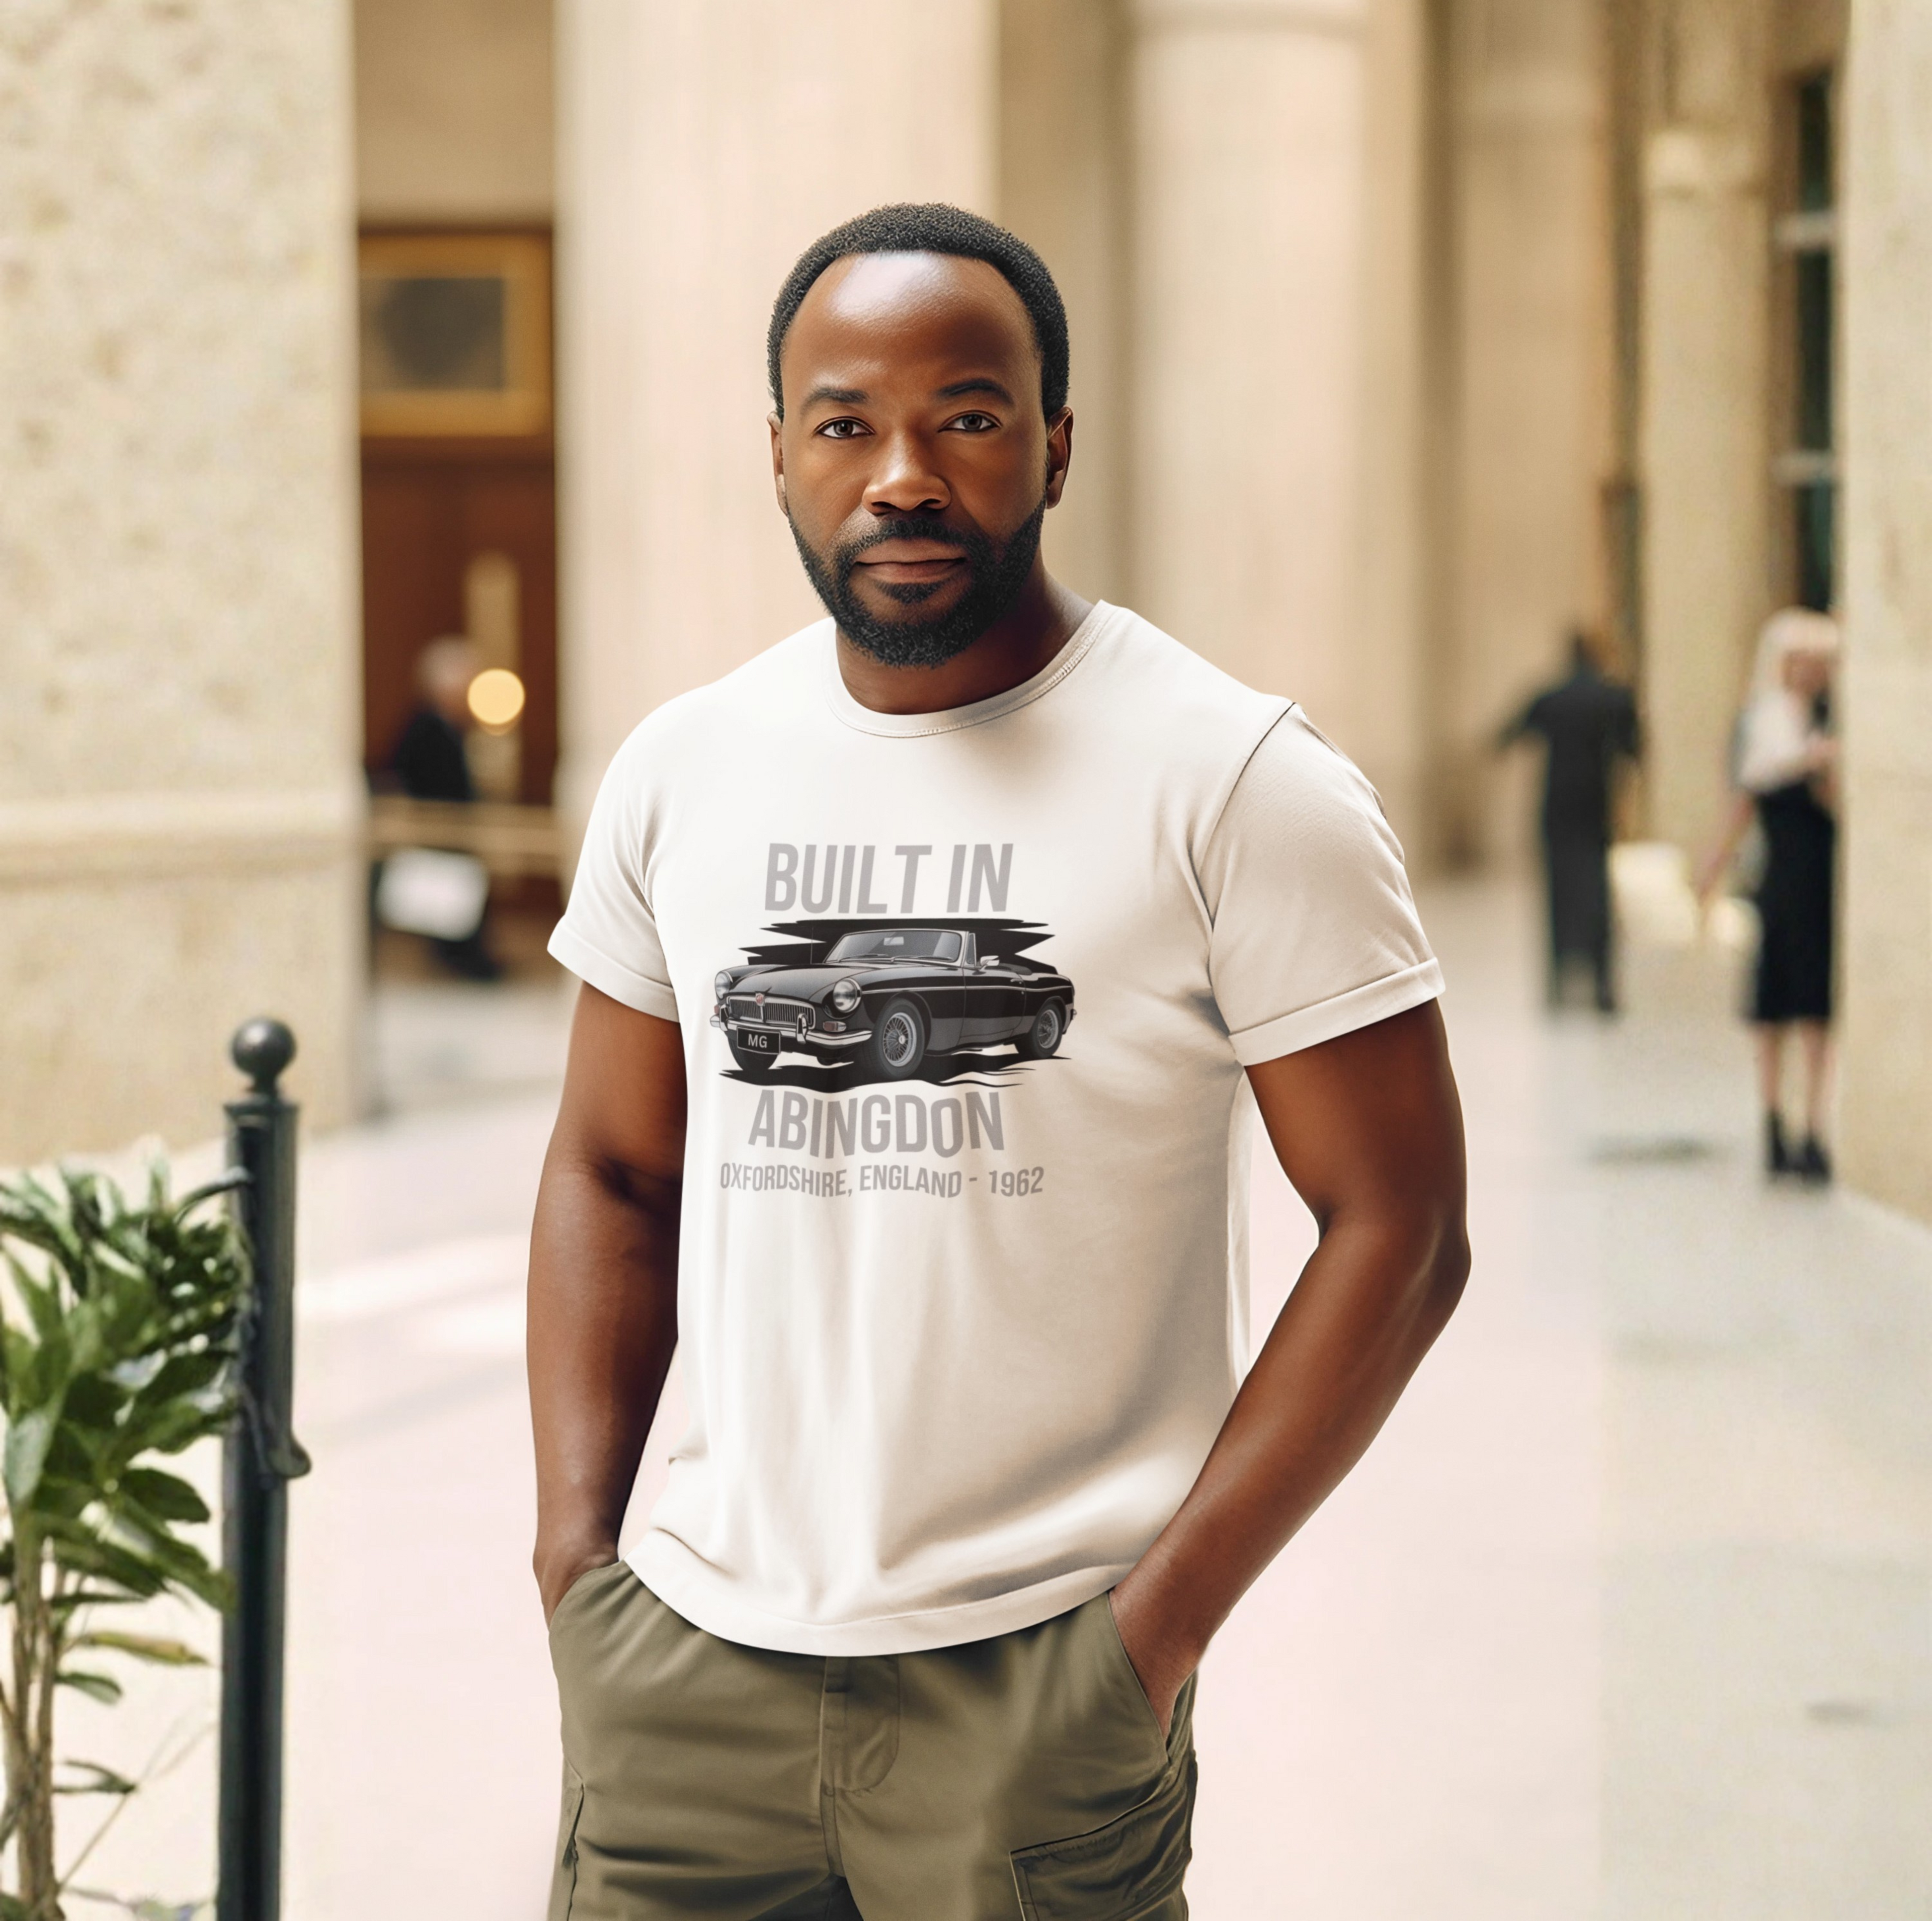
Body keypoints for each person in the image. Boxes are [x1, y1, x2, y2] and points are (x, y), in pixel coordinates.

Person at [528, 203, 1469, 1919]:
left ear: (1052, 446)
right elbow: (613, 1166)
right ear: (780, 454)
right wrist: (576, 1563)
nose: (902, 474)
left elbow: (1401, 1227)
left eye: (964, 416)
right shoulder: (686, 769)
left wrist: (1152, 1633)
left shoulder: (1236, 777)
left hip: (1036, 1688)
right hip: (684, 1680)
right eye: (845, 424)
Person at [1697, 608, 1840, 1182]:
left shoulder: (1826, 722)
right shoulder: (1767, 725)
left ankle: (1814, 1125)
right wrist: (1713, 864)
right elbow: (1748, 796)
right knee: (1775, 1003)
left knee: (1814, 1007)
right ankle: (1774, 1118)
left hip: (1819, 877)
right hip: (1783, 878)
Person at [1499, 627, 1639, 1013]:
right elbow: (1634, 749)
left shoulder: (1551, 697)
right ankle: (1602, 985)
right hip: (1596, 805)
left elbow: (1507, 736)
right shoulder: (1613, 698)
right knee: (1597, 892)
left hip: (1557, 806)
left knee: (1559, 894)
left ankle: (1560, 981)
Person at [381, 636, 502, 981]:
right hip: (439, 831)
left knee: (460, 901)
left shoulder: (450, 727)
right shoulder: (426, 728)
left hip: (454, 830)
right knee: (446, 905)